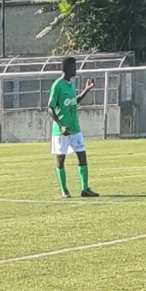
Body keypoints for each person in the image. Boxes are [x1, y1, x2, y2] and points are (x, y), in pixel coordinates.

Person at [48, 56, 98, 198]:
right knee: (61, 159)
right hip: (61, 131)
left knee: (82, 156)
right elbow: (50, 108)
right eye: (74, 67)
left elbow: (73, 102)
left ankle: (85, 189)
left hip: (75, 129)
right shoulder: (57, 85)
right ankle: (64, 190)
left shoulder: (70, 84)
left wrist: (86, 90)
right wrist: (61, 126)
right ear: (67, 68)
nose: (76, 70)